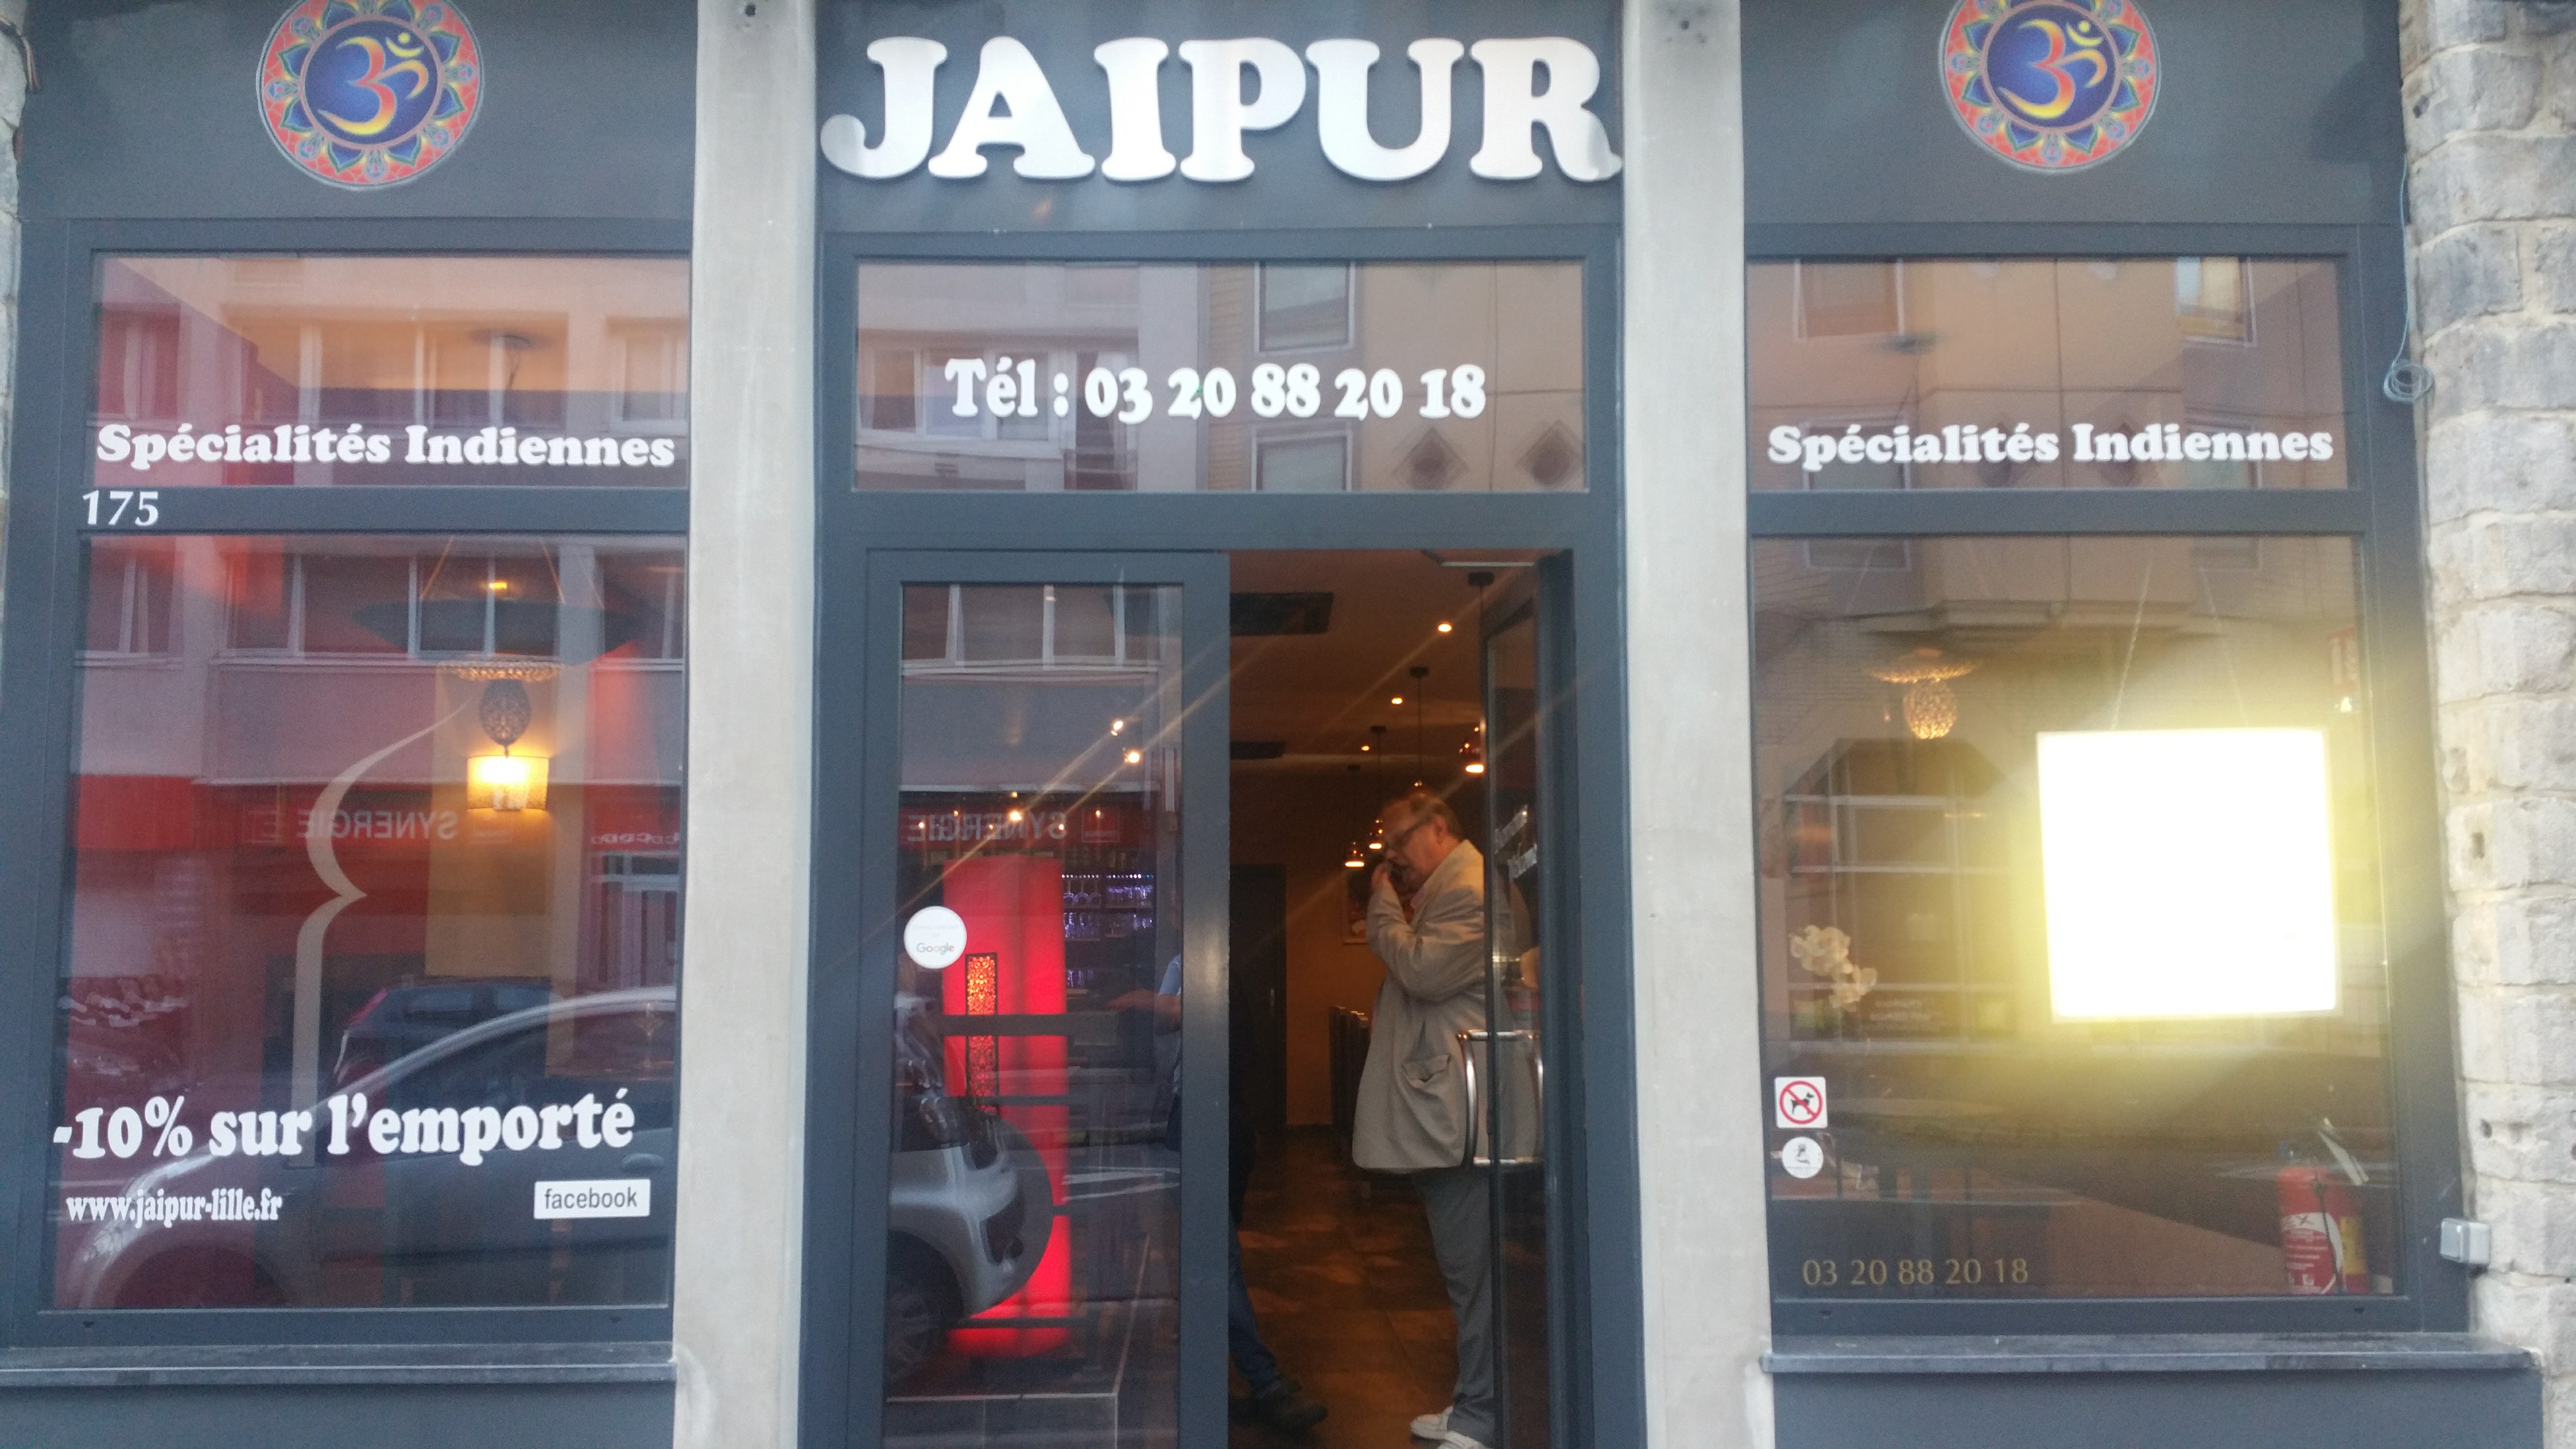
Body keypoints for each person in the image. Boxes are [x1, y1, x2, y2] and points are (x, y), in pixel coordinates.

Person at [1116, 957, 1327, 1433]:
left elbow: (1175, 1015)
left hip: (1203, 1118)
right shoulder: (1205, 963)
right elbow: (1180, 1021)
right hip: (1209, 1116)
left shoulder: (1197, 961)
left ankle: (1235, 1381)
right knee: (1216, 1256)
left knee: (1213, 1255)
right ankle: (1255, 1380)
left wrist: (1142, 999)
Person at [1354, 790, 1495, 1449]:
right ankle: (1474, 1401)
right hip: (1448, 1115)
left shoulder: (1469, 891)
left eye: (1399, 842)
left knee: (1473, 1276)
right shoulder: (1453, 891)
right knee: (1467, 1273)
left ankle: (1482, 1414)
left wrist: (1380, 903)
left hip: (1458, 1119)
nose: (1392, 859)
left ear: (1439, 827)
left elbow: (1422, 972)